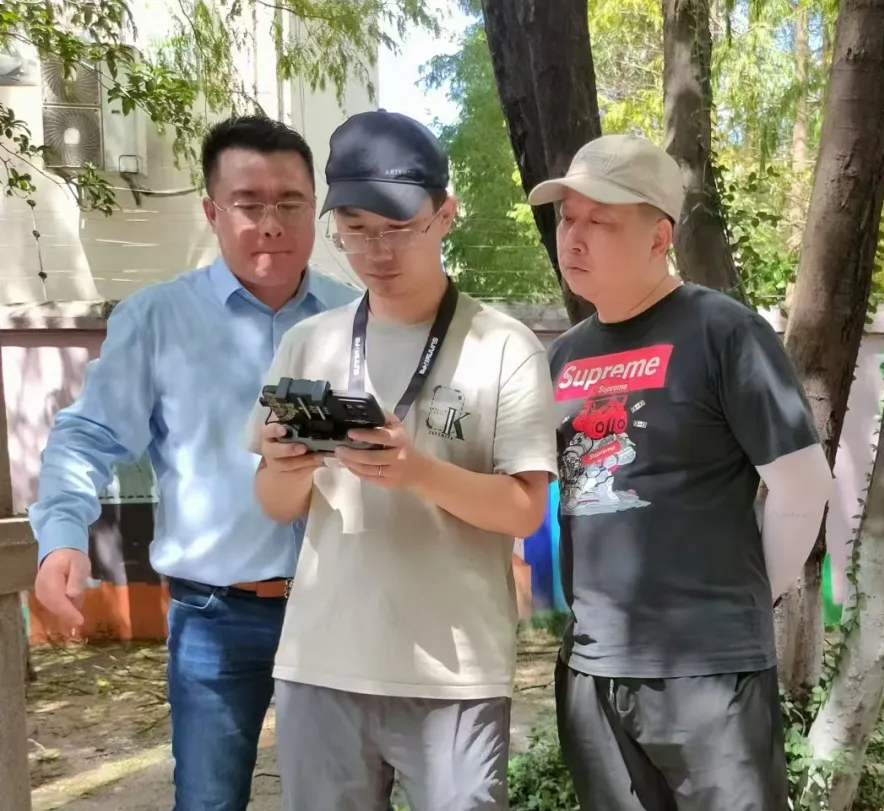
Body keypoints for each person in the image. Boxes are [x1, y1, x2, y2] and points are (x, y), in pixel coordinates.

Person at [29, 115, 360, 811]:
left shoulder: (357, 319)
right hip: (215, 617)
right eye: (248, 203)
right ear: (212, 212)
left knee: (344, 800)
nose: (271, 223)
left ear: (315, 209)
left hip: (341, 607)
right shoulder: (157, 321)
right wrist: (61, 535)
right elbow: (86, 437)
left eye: (290, 202)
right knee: (208, 802)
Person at [245, 109, 558, 811]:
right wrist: (288, 466)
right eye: (354, 229)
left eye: (398, 229)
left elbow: (525, 508)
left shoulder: (504, 346)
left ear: (445, 215)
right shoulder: (308, 342)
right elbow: (272, 501)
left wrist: (418, 472)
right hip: (322, 661)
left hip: (455, 675)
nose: (376, 252)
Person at [529, 134, 833, 811]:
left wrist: (742, 600)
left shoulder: (724, 332)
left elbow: (804, 485)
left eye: (600, 220)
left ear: (659, 236)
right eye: (567, 218)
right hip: (594, 671)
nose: (574, 236)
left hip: (710, 673)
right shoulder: (564, 358)